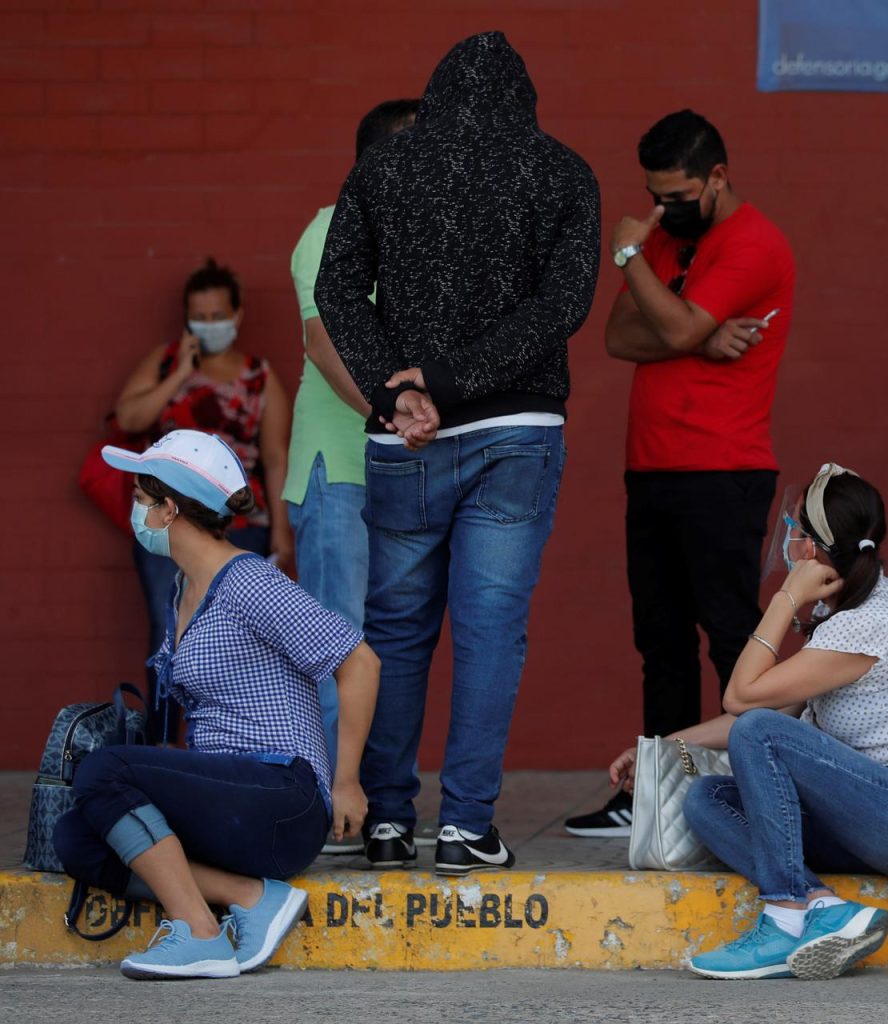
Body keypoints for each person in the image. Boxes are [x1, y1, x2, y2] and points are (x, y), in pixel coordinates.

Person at [316, 31, 600, 875]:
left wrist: (396, 389)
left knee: (397, 633)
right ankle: (468, 827)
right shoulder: (562, 171)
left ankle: (390, 822)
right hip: (516, 434)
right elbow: (566, 303)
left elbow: (337, 287)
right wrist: (454, 379)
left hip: (405, 438)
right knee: (489, 632)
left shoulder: (383, 168)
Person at [605, 464, 888, 980]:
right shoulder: (845, 617)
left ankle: (783, 917)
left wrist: (785, 598)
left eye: (796, 529)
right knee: (705, 798)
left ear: (814, 548)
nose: (788, 539)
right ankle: (825, 908)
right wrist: (660, 746)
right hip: (872, 817)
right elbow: (774, 710)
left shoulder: (871, 624)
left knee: (756, 733)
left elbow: (744, 701)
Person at [51, 430, 379, 980]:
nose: (135, 512)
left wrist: (346, 781)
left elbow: (359, 662)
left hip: (281, 799)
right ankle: (251, 897)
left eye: (140, 499)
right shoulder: (183, 589)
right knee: (77, 839)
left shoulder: (248, 580)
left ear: (169, 508)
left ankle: (200, 933)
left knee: (103, 771)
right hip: (232, 801)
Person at [566, 109, 795, 839]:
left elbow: (671, 327)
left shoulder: (754, 242)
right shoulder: (667, 241)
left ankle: (760, 786)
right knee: (659, 638)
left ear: (718, 178)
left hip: (723, 467)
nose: (664, 210)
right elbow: (620, 336)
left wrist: (635, 266)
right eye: (656, 197)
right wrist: (690, 333)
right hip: (653, 467)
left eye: (678, 196)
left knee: (731, 635)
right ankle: (656, 793)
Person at [285, 96, 418, 855]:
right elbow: (324, 344)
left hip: (395, 469)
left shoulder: (408, 235)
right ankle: (332, 807)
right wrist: (394, 411)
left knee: (391, 646)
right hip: (339, 469)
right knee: (339, 642)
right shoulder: (327, 232)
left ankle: (376, 803)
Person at [113, 258, 293, 743]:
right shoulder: (166, 361)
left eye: (218, 315)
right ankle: (164, 741)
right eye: (200, 315)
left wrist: (280, 530)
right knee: (165, 629)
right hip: (165, 519)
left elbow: (274, 457)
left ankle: (227, 736)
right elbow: (129, 418)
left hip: (239, 524)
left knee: (232, 635)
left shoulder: (260, 376)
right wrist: (181, 374)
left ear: (237, 314)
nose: (209, 325)